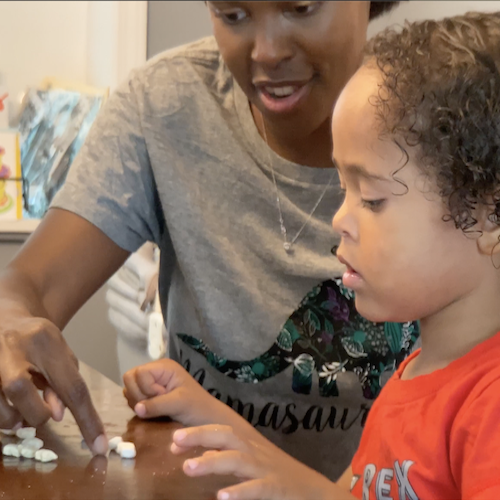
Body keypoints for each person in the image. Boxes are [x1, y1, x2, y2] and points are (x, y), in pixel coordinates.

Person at [0, 1, 412, 475]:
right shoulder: (164, 103)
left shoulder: (440, 122)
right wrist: (11, 320)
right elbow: (30, 285)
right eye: (232, 14)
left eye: (300, 7)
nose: (267, 52)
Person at [123, 10, 500, 500]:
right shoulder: (412, 375)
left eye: (372, 198)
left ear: (489, 215)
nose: (338, 220)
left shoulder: (487, 405)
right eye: (344, 191)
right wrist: (204, 410)